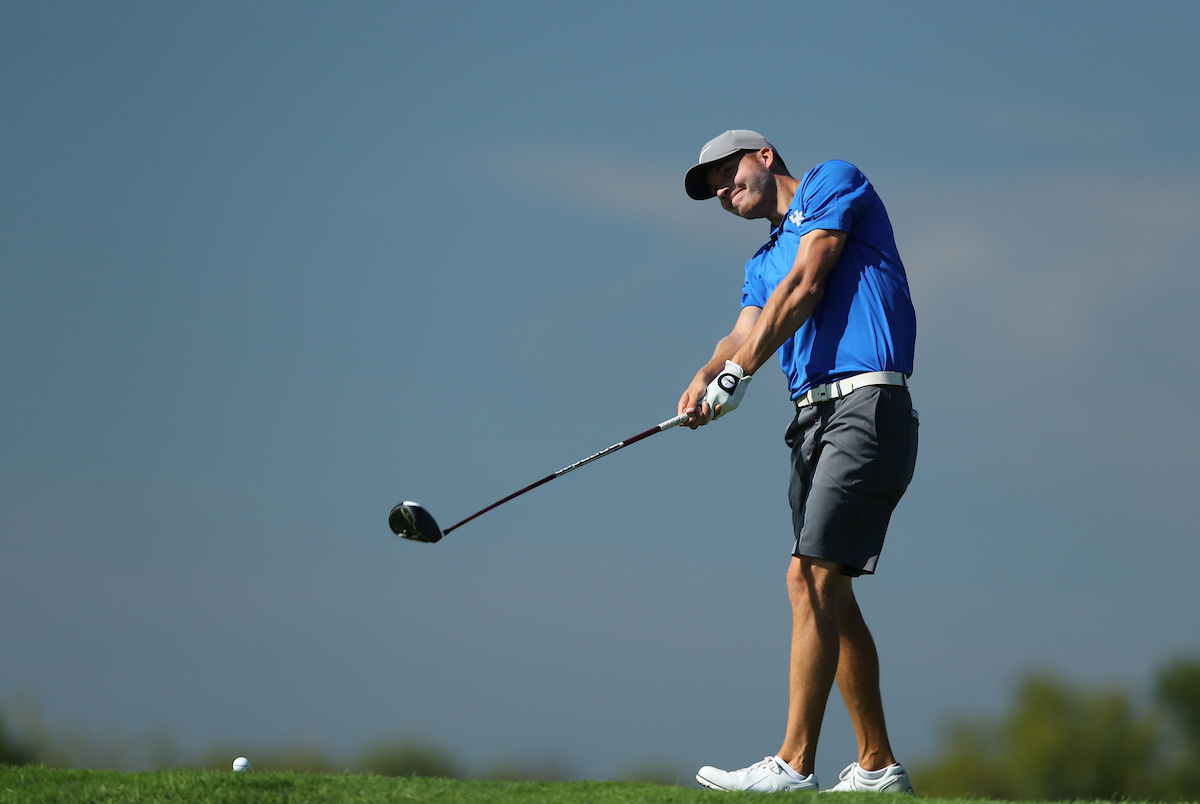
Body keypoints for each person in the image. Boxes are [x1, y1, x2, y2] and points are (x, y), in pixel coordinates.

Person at [679, 131, 919, 794]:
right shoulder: (761, 261)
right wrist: (708, 373)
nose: (725, 195)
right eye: (715, 194)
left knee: (805, 577)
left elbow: (810, 282)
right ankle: (876, 766)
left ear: (761, 155)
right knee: (830, 589)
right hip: (810, 420)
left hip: (865, 402)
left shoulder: (831, 183)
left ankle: (792, 763)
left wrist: (740, 374)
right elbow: (744, 329)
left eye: (727, 177)